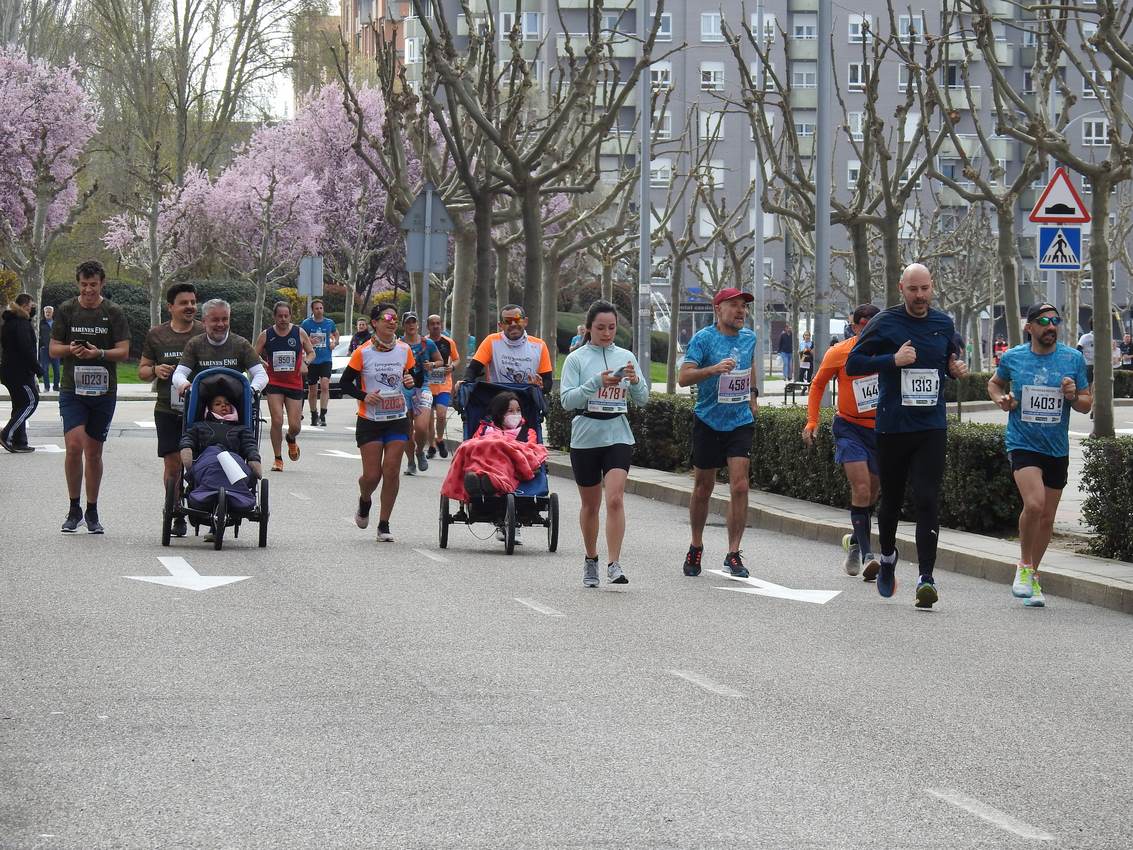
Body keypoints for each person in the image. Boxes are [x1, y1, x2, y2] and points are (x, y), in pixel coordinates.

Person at [845, 263, 968, 609]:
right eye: (913, 289)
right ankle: (887, 558)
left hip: (931, 426)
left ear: (932, 288)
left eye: (925, 289)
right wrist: (893, 359)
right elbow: (854, 364)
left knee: (928, 499)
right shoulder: (885, 322)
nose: (919, 296)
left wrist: (954, 368)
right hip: (893, 426)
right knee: (892, 500)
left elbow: (949, 357)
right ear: (902, 288)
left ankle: (926, 578)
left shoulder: (943, 323)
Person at [988, 303, 1091, 608]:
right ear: (1029, 327)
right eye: (1043, 321)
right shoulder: (1014, 357)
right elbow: (994, 383)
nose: (1051, 326)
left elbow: (1086, 404)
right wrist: (1001, 400)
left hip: (1056, 448)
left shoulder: (1072, 359)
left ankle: (1033, 575)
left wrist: (1074, 395)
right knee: (1034, 504)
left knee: (1047, 518)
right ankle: (1023, 565)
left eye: (1055, 320)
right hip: (1022, 443)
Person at [560, 300, 649, 587]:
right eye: (600, 328)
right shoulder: (576, 359)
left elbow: (643, 399)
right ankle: (591, 558)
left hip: (618, 434)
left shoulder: (625, 356)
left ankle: (614, 563)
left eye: (612, 327)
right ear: (588, 328)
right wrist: (595, 383)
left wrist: (634, 382)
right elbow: (566, 400)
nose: (607, 333)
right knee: (590, 504)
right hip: (586, 435)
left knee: (615, 498)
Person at [678, 287, 759, 579]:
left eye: (744, 307)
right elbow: (683, 378)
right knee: (703, 488)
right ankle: (696, 544)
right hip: (708, 420)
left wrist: (752, 394)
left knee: (740, 486)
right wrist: (713, 370)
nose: (741, 311)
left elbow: (750, 366)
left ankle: (733, 552)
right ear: (718, 309)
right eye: (734, 305)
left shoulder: (749, 337)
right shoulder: (703, 339)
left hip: (739, 420)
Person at [48, 260, 131, 534]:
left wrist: (99, 354)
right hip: (73, 388)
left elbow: (124, 352)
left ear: (102, 284)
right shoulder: (66, 310)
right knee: (74, 446)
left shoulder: (114, 312)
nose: (88, 290)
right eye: (83, 285)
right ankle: (73, 509)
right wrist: (72, 349)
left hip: (103, 390)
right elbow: (53, 350)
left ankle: (92, 510)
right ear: (77, 283)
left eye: (93, 285)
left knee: (93, 452)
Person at [803, 304, 882, 580]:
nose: (870, 327)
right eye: (864, 323)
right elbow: (817, 384)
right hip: (849, 427)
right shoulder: (840, 352)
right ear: (855, 325)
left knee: (872, 493)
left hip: (881, 431)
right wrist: (812, 421)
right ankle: (868, 555)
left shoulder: (889, 352)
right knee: (860, 488)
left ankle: (855, 542)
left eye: (876, 322)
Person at [338, 303, 416, 542]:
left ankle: (384, 524)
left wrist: (411, 381)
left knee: (391, 470)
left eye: (395, 318)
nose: (392, 322)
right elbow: (344, 383)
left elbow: (414, 375)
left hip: (397, 419)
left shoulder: (404, 350)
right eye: (387, 317)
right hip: (370, 420)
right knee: (372, 476)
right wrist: (364, 396)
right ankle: (364, 501)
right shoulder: (363, 352)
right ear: (375, 323)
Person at [138, 282, 205, 536]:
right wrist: (155, 370)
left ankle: (203, 505)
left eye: (192, 302)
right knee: (173, 464)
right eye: (184, 303)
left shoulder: (203, 331)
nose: (190, 307)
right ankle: (175, 510)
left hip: (199, 409)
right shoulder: (157, 335)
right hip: (168, 408)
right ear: (170, 307)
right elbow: (142, 371)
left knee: (200, 461)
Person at [440, 391, 548, 501]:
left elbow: (528, 450)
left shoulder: (527, 432)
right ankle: (478, 481)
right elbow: (475, 445)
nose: (516, 414)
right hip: (484, 460)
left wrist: (503, 445)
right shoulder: (485, 429)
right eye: (510, 411)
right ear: (500, 413)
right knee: (475, 449)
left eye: (518, 410)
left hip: (509, 463)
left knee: (501, 454)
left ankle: (492, 481)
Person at [255, 301, 316, 472]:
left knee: (295, 426)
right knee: (277, 420)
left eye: (286, 316)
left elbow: (311, 352)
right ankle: (278, 459)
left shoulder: (299, 332)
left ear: (290, 316)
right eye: (279, 316)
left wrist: (305, 362)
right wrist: (264, 363)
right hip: (274, 382)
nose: (283, 319)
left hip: (294, 383)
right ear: (274, 317)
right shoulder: (266, 334)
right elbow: (254, 354)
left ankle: (291, 439)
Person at [172, 298, 268, 400]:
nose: (221, 324)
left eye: (225, 319)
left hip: (235, 404)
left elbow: (260, 374)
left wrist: (252, 389)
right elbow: (179, 373)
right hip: (202, 403)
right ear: (204, 322)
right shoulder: (195, 344)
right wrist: (183, 384)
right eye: (215, 320)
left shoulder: (241, 344)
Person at [461, 305, 554, 394]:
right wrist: (464, 383)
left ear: (525, 321)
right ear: (500, 325)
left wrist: (540, 387)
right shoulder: (491, 341)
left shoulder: (539, 345)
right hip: (499, 400)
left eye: (517, 319)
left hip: (528, 400)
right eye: (507, 321)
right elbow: (473, 369)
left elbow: (548, 383)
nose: (513, 324)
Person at [399, 311, 441, 475]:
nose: (411, 325)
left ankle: (419, 452)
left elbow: (440, 361)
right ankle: (410, 462)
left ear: (418, 325)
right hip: (403, 389)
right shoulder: (398, 344)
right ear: (403, 325)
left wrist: (432, 364)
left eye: (413, 322)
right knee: (407, 429)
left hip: (423, 387)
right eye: (408, 322)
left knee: (422, 427)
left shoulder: (427, 343)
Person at [1, 293, 43, 453]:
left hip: (9, 370)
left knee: (19, 404)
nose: (33, 308)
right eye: (32, 305)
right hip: (19, 372)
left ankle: (19, 441)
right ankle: (6, 435)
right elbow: (26, 350)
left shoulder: (9, 322)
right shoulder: (21, 324)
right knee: (31, 402)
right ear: (25, 305)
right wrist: (38, 369)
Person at [424, 313, 459, 460]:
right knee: (429, 419)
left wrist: (452, 367)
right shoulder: (423, 342)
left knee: (441, 414)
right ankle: (432, 445)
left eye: (438, 323)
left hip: (444, 384)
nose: (436, 326)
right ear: (428, 326)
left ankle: (439, 438)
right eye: (433, 323)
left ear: (442, 325)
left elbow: (457, 359)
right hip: (426, 384)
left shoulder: (448, 341)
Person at [300, 298, 338, 427]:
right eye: (317, 308)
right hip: (312, 360)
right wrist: (309, 341)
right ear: (312, 310)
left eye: (321, 308)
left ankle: (323, 414)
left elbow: (336, 334)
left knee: (325, 385)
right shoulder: (306, 323)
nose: (319, 310)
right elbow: (300, 338)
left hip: (326, 359)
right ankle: (313, 413)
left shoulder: (329, 322)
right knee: (312, 389)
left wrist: (334, 342)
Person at [38, 305, 60, 391]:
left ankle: (56, 387)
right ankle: (46, 387)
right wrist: (41, 345)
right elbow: (37, 336)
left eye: (49, 312)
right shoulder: (41, 323)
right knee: (45, 369)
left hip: (55, 348)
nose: (47, 313)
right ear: (44, 313)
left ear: (52, 313)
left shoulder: (57, 323)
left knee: (57, 369)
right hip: (44, 349)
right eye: (46, 312)